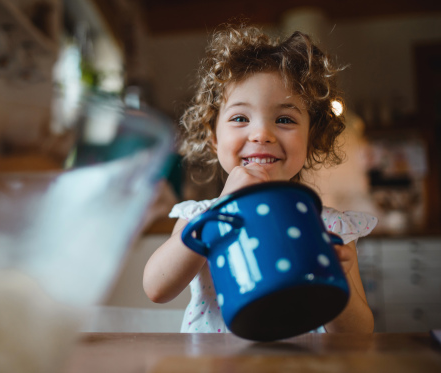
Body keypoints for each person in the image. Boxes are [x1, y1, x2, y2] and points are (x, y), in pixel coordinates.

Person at [143, 22, 377, 334]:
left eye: (284, 119)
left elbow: (358, 335)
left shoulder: (328, 227)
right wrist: (221, 209)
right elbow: (157, 289)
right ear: (214, 137)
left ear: (312, 138)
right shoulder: (199, 219)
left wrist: (339, 278)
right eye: (240, 118)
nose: (262, 134)